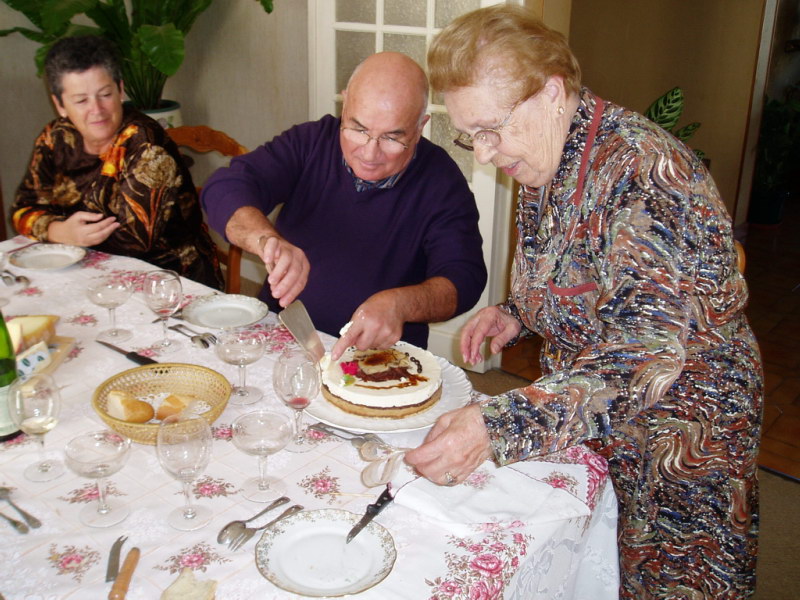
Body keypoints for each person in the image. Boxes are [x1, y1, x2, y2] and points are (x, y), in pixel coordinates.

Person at [403, 6, 762, 599]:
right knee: (595, 564)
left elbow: (642, 356)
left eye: (491, 129)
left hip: (681, 434)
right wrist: (518, 312)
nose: (484, 154)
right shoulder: (546, 153)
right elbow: (575, 271)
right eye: (471, 136)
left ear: (551, 93)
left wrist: (499, 425)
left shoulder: (646, 174)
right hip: (593, 417)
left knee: (669, 581)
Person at [201, 52, 486, 358]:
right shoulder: (310, 142)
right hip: (285, 332)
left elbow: (464, 278)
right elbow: (224, 188)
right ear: (345, 104)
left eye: (392, 138)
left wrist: (401, 304)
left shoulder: (441, 182)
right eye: (358, 129)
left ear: (420, 127)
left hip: (379, 354)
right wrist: (266, 240)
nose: (370, 153)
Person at [11, 36, 223, 289]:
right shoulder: (54, 139)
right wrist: (57, 230)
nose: (97, 110)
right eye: (81, 100)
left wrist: (68, 234)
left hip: (168, 279)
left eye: (105, 94)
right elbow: (22, 209)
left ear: (120, 90)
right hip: (83, 269)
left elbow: (134, 242)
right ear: (60, 104)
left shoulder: (145, 146)